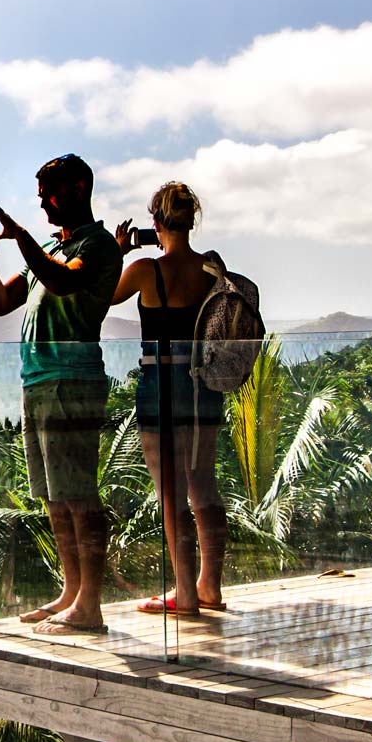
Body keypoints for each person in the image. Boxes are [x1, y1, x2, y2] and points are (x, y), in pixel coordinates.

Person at [0, 154, 124, 635]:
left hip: (73, 380)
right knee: (54, 498)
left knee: (79, 494)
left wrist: (21, 242)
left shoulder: (97, 245)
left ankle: (91, 604)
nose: (41, 202)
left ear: (79, 188)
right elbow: (0, 304)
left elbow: (63, 280)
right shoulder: (48, 248)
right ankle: (71, 591)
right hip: (36, 380)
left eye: (50, 192)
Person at [111, 181, 227, 617]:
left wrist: (119, 253)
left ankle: (184, 591)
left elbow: (100, 298)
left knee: (170, 494)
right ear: (191, 221)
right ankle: (209, 585)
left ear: (155, 222)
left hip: (160, 386)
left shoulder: (145, 270)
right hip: (203, 386)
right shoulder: (212, 269)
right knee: (204, 489)